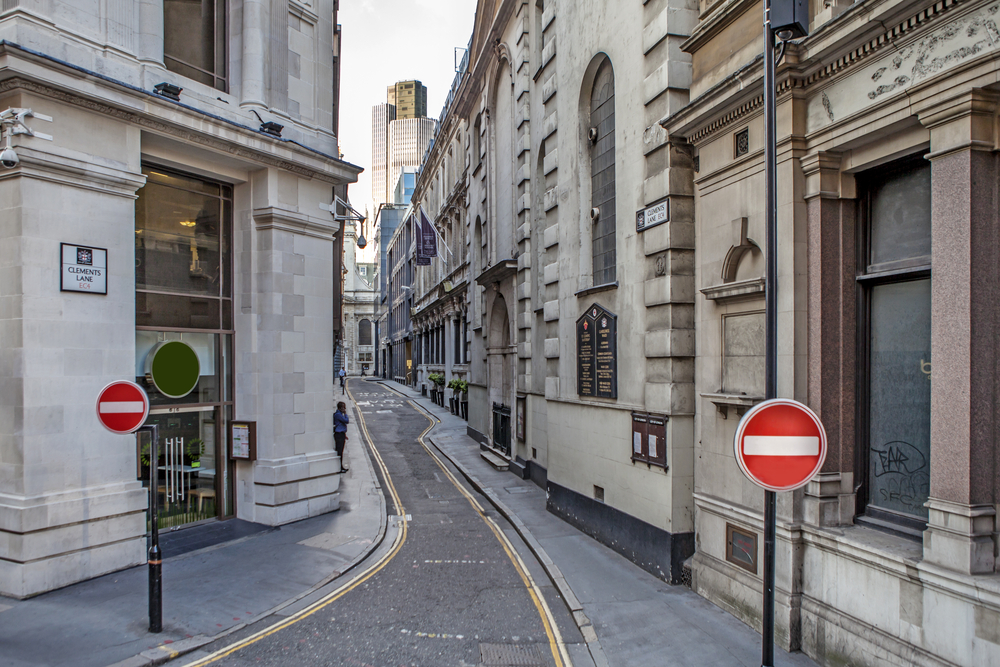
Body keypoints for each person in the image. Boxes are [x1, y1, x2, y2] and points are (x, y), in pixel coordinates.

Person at [334, 401, 349, 473]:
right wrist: (345, 414)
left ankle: (341, 467)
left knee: (341, 451)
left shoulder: (339, 414)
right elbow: (346, 421)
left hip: (341, 434)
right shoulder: (338, 415)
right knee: (339, 451)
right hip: (339, 435)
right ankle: (338, 467)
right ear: (340, 408)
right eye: (344, 407)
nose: (345, 409)